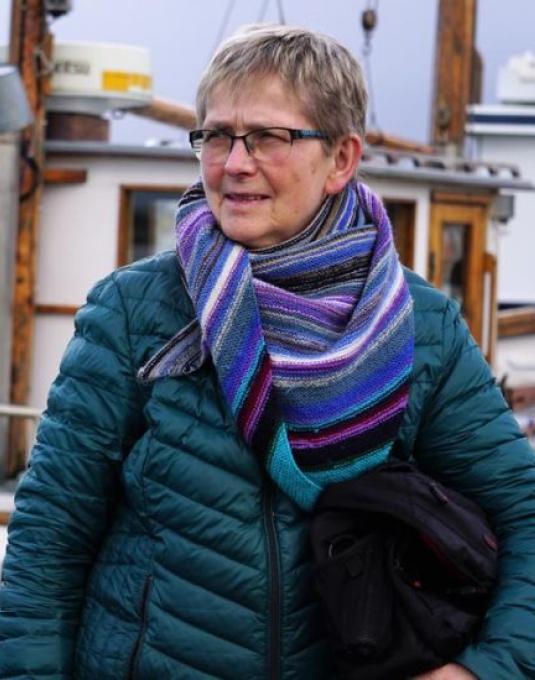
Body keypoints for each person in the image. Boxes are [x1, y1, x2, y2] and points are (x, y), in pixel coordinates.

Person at [1, 24, 535, 680]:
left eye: (268, 137)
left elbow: (523, 513)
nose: (233, 162)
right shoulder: (135, 311)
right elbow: (46, 548)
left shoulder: (418, 327)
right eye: (216, 135)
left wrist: (488, 668)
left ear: (340, 159)